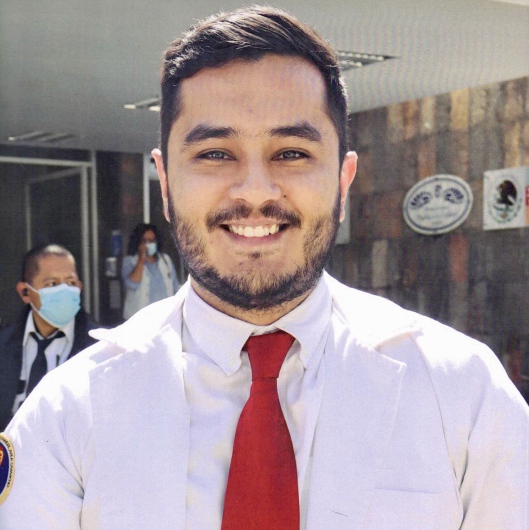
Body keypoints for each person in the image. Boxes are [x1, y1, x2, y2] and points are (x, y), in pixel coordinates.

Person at [1, 6, 527, 529]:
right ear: (165, 182)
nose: (255, 192)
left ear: (343, 181)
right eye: (215, 154)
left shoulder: (462, 393)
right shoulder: (68, 415)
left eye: (292, 153)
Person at [0, 244, 96, 431]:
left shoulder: (98, 346)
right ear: (25, 292)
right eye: (52, 284)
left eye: (71, 283)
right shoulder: (3, 343)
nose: (64, 291)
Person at [121, 223, 179, 319]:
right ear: (138, 243)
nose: (148, 244)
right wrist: (142, 258)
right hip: (140, 319)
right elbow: (132, 284)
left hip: (165, 317)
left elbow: (175, 287)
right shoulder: (129, 261)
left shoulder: (166, 260)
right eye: (144, 241)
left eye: (151, 241)